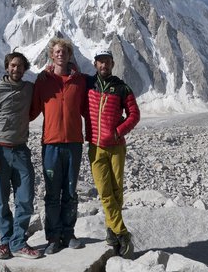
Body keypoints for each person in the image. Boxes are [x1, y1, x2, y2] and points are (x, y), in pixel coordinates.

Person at [0, 50, 42, 260]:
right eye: (12, 65)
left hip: (21, 150)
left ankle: (18, 241)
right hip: (0, 152)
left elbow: (41, 99)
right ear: (7, 67)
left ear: (25, 68)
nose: (16, 69)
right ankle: (6, 241)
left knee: (25, 198)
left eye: (20, 66)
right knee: (1, 200)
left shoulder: (29, 89)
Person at [30, 37, 87, 255]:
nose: (60, 54)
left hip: (74, 143)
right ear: (51, 55)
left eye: (64, 51)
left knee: (71, 191)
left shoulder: (80, 80)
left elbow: (88, 108)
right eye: (56, 51)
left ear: (70, 55)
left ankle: (68, 233)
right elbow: (33, 109)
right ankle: (53, 236)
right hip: (51, 143)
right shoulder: (43, 80)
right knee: (53, 193)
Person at [84, 49, 140, 259]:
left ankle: (111, 230)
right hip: (96, 147)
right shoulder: (88, 85)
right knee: (105, 192)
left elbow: (134, 114)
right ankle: (123, 233)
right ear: (95, 64)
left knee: (117, 192)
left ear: (112, 64)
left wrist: (118, 131)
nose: (103, 65)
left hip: (116, 146)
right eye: (100, 62)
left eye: (107, 62)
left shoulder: (122, 87)